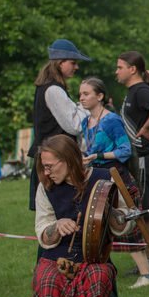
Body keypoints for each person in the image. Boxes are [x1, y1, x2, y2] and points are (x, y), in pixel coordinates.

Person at [27, 135, 134, 297]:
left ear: (68, 160)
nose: (45, 173)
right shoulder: (46, 189)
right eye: (42, 167)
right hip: (58, 256)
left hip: (93, 256)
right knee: (46, 281)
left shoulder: (104, 179)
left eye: (49, 166)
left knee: (100, 277)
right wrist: (56, 226)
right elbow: (42, 230)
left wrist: (117, 218)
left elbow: (125, 222)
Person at [79, 77, 149, 289]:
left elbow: (124, 150)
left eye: (86, 94)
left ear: (100, 96)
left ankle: (147, 275)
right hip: (98, 178)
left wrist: (97, 156)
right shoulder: (85, 122)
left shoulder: (111, 120)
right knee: (97, 226)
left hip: (118, 178)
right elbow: (90, 149)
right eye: (80, 94)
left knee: (125, 224)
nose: (82, 98)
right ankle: (100, 273)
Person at [27, 39, 91, 210]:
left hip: (53, 158)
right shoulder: (53, 90)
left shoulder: (49, 87)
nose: (76, 67)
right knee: (57, 214)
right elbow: (75, 125)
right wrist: (88, 108)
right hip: (54, 161)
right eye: (73, 62)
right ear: (60, 62)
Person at [116, 51, 149, 245]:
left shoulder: (140, 90)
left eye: (120, 67)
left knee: (145, 211)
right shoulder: (133, 91)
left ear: (132, 69)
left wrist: (146, 127)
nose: (116, 72)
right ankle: (145, 259)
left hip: (146, 157)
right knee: (138, 209)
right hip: (137, 158)